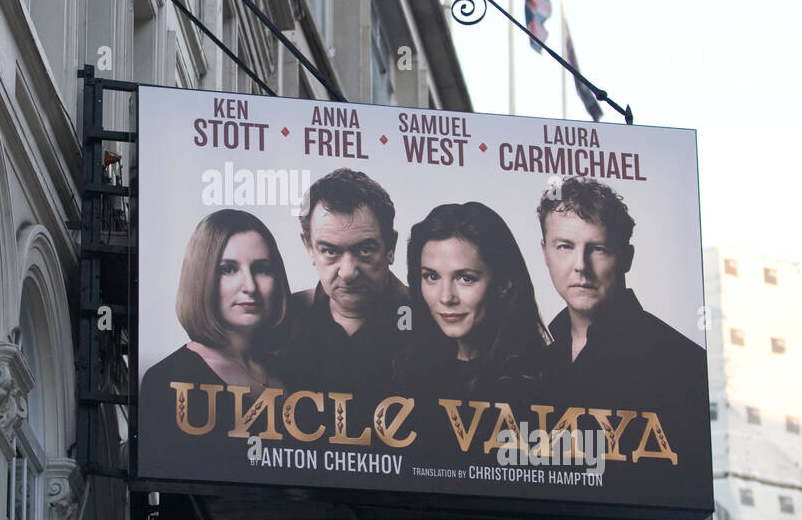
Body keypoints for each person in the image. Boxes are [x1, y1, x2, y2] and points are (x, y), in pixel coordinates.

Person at [537, 177, 708, 414]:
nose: (580, 266)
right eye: (565, 246)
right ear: (545, 253)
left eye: (598, 248)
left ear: (626, 258)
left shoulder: (683, 363)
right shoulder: (535, 357)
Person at [395, 202, 549, 418]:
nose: (446, 297)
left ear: (503, 284)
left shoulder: (540, 381)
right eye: (432, 276)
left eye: (466, 278)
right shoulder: (406, 368)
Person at [280, 168, 408, 400]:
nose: (348, 273)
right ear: (309, 247)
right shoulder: (278, 321)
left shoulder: (435, 322)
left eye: (365, 249)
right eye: (330, 250)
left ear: (391, 248)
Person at [141, 209, 292, 399]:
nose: (250, 286)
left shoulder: (291, 370)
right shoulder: (168, 378)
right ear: (201, 279)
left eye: (262, 269)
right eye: (228, 269)